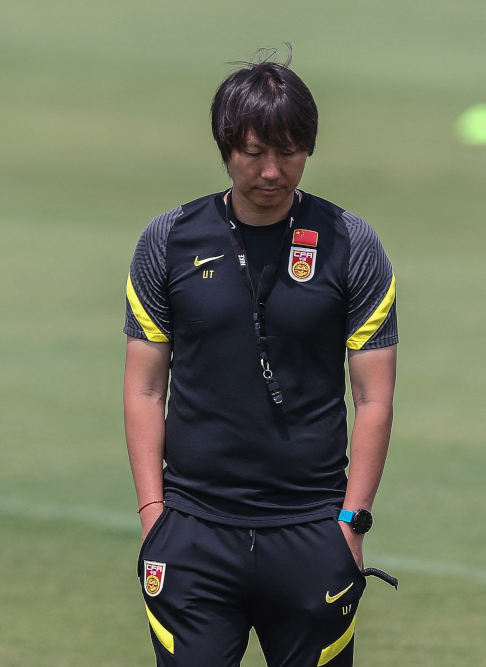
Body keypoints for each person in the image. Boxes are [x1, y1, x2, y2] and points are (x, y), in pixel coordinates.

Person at [122, 49, 398, 667]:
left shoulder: (352, 245)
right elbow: (144, 389)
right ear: (225, 149)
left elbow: (374, 398)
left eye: (289, 152)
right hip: (193, 532)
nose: (272, 171)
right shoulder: (167, 241)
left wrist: (351, 523)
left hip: (311, 532)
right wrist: (153, 516)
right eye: (253, 153)